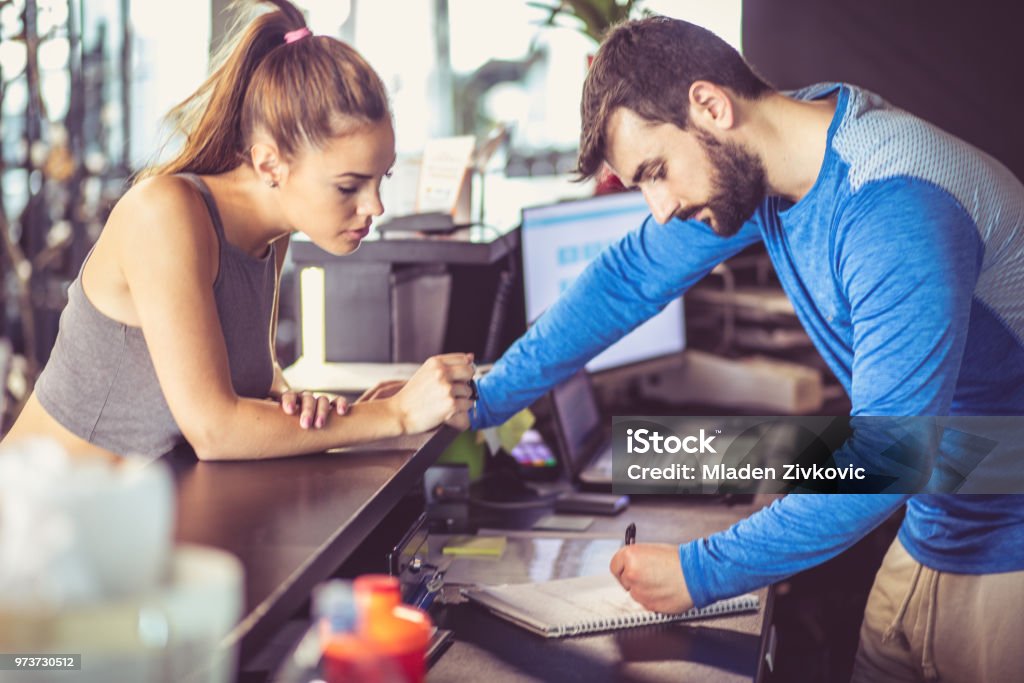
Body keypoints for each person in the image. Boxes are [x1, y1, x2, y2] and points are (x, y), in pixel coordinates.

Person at [469, 16, 1024, 683]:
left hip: (1006, 539)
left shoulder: (893, 204)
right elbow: (627, 278)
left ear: (711, 105)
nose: (660, 208)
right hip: (941, 512)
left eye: (656, 171)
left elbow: (886, 459)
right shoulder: (778, 153)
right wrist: (483, 397)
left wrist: (697, 572)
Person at [1, 0, 474, 462]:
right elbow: (215, 430)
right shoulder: (165, 215)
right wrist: (394, 414)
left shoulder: (271, 233)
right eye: (349, 186)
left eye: (380, 178)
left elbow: (255, 383)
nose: (374, 205)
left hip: (128, 519)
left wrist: (312, 407)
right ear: (270, 163)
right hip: (33, 522)